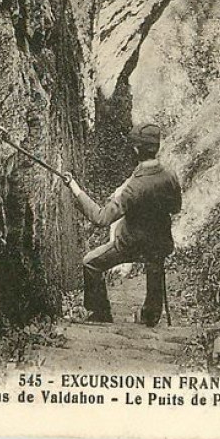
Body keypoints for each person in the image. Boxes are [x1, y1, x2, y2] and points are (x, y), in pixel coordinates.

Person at [61, 122, 182, 326]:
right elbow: (176, 208)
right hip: (160, 243)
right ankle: (151, 316)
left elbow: (101, 218)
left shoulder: (132, 189)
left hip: (132, 244)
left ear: (135, 150)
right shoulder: (170, 176)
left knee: (90, 262)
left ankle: (101, 314)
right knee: (155, 264)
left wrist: (74, 188)